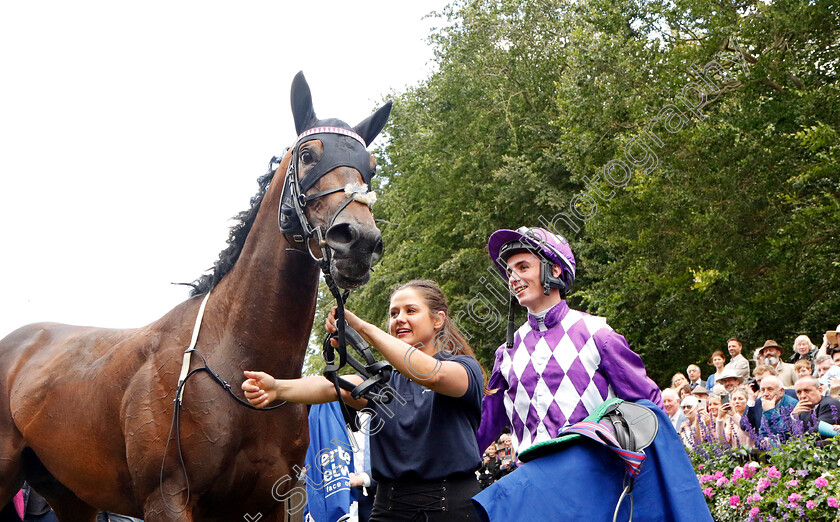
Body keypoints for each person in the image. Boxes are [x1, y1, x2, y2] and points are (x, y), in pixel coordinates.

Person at [242, 279, 484, 521]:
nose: (399, 318)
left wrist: (361, 328)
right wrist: (277, 387)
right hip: (389, 509)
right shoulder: (385, 381)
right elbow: (332, 386)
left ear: (438, 319)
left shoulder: (463, 368)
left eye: (411, 310)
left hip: (452, 507)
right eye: (393, 313)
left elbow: (433, 376)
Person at [476, 227, 662, 456]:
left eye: (523, 267)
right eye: (510, 272)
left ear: (554, 270)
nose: (513, 279)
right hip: (533, 479)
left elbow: (648, 407)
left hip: (595, 475)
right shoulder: (506, 352)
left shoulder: (598, 334)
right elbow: (484, 427)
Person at [740, 376, 798, 446]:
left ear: (781, 392)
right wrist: (751, 399)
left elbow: (786, 433)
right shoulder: (761, 402)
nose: (765, 394)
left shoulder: (792, 404)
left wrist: (770, 410)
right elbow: (745, 426)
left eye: (770, 389)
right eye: (763, 390)